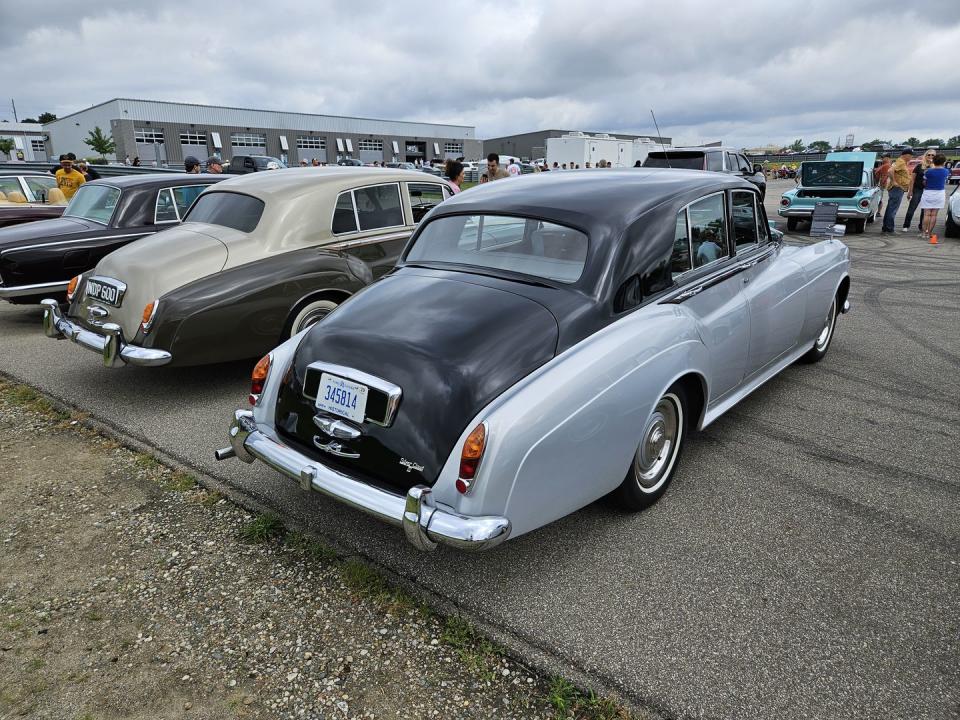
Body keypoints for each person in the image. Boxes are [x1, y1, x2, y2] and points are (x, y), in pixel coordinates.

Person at [882, 149, 913, 233]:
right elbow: (890, 171)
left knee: (890, 208)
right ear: (906, 155)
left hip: (897, 188)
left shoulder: (900, 161)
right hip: (897, 188)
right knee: (893, 209)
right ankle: (889, 228)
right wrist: (894, 181)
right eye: (910, 155)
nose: (911, 157)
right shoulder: (901, 162)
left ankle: (886, 227)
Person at [919, 154, 949, 240]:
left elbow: (924, 183)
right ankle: (929, 233)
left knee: (926, 214)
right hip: (939, 193)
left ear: (933, 161)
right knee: (934, 215)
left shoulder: (928, 171)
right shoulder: (946, 171)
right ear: (943, 162)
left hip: (928, 192)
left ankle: (924, 233)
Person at [903, 150, 934, 232]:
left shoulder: (934, 168)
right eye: (929, 155)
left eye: (932, 155)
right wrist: (910, 191)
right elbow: (912, 179)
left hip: (928, 191)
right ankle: (906, 225)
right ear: (925, 156)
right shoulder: (919, 166)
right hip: (917, 189)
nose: (930, 157)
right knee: (912, 207)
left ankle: (921, 226)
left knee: (925, 210)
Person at [874, 155, 892, 220]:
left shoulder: (886, 165)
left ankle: (878, 212)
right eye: (881, 157)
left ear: (887, 158)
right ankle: (878, 212)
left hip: (879, 185)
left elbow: (884, 176)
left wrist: (880, 185)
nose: (882, 159)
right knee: (879, 198)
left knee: (879, 199)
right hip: (878, 185)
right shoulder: (883, 165)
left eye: (883, 157)